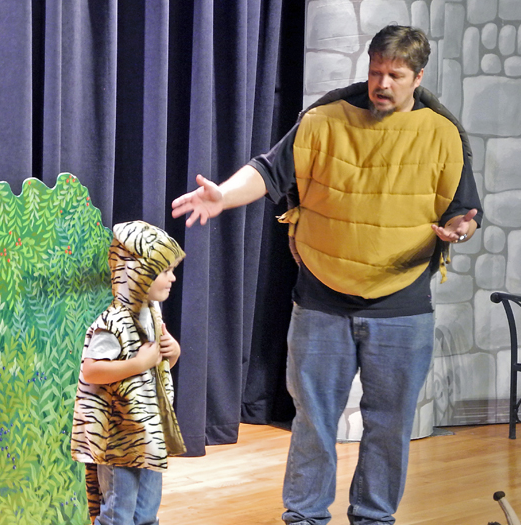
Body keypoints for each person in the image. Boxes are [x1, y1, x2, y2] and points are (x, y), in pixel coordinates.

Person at [172, 24, 482, 525]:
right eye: (376, 72)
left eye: (395, 75)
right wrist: (223, 196)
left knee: (389, 427)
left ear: (418, 77)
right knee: (314, 422)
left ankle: (374, 518)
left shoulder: (442, 132)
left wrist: (460, 230)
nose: (382, 83)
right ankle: (305, 517)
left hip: (402, 308)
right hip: (321, 302)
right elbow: (268, 171)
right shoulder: (324, 118)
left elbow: (463, 211)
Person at [71, 221, 186, 525]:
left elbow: (153, 374)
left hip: (148, 433)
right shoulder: (114, 321)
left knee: (146, 512)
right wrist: (139, 363)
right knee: (118, 513)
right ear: (137, 272)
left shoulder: (152, 314)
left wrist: (171, 353)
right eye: (165, 270)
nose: (173, 278)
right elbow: (92, 371)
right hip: (119, 438)